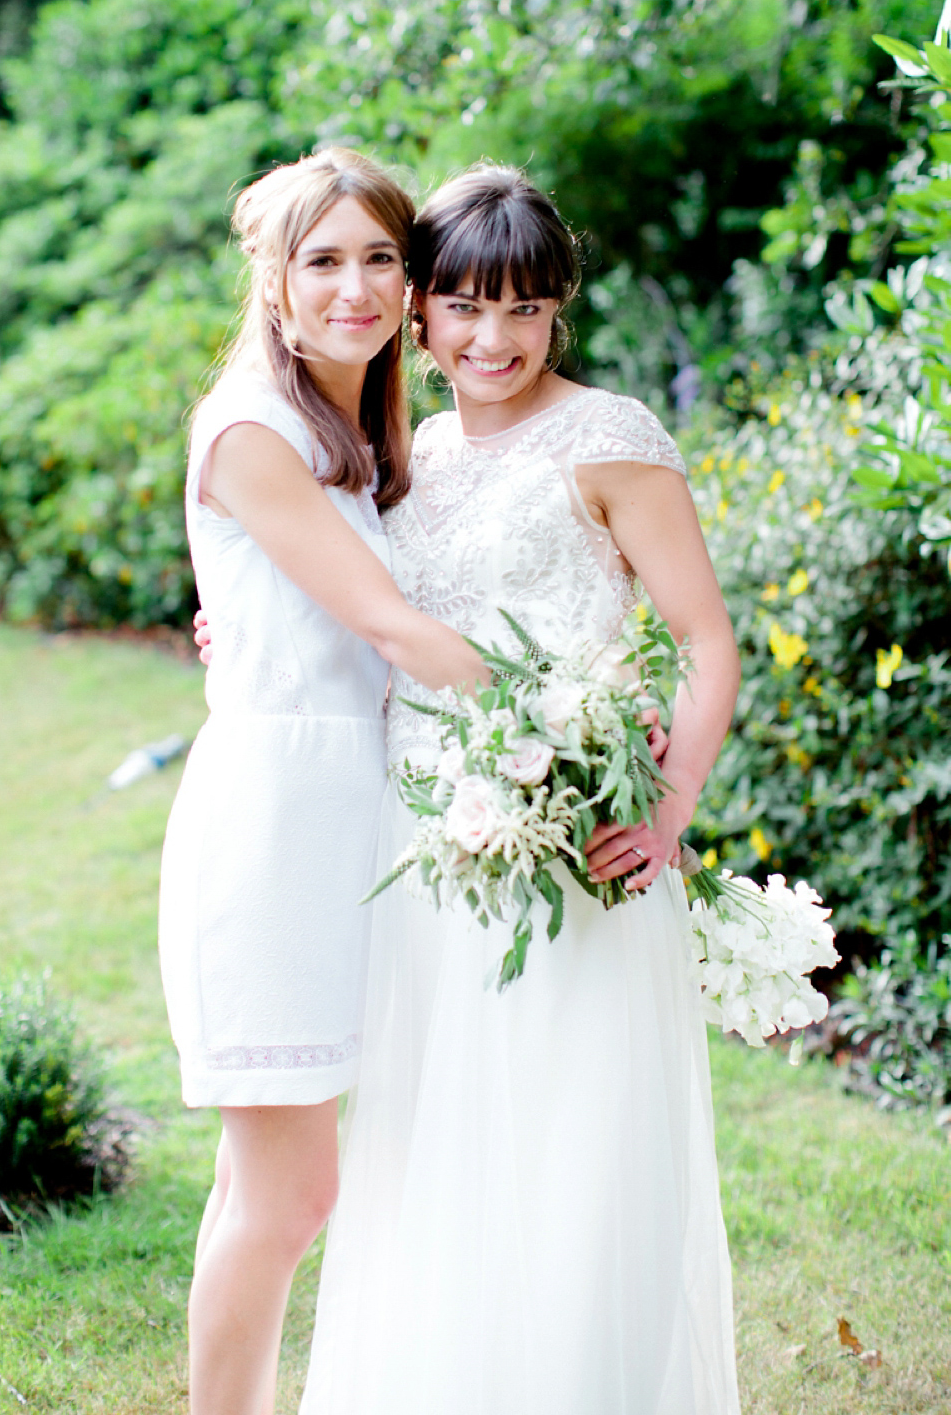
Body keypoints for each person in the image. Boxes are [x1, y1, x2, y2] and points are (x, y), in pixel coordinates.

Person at [297, 164, 743, 1414]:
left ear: (559, 314)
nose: (494, 340)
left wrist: (669, 808)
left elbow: (708, 642)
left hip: (573, 848)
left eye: (526, 311)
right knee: (431, 1150)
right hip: (424, 845)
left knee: (572, 1154)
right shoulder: (411, 446)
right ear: (422, 312)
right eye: (464, 307)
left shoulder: (611, 440)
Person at [161, 147, 483, 1415]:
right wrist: (555, 722)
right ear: (275, 282)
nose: (354, 287)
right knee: (286, 1194)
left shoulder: (348, 427)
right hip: (276, 832)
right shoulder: (252, 427)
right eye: (324, 260)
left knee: (285, 1186)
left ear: (411, 284)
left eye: (378, 259)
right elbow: (391, 626)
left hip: (359, 820)